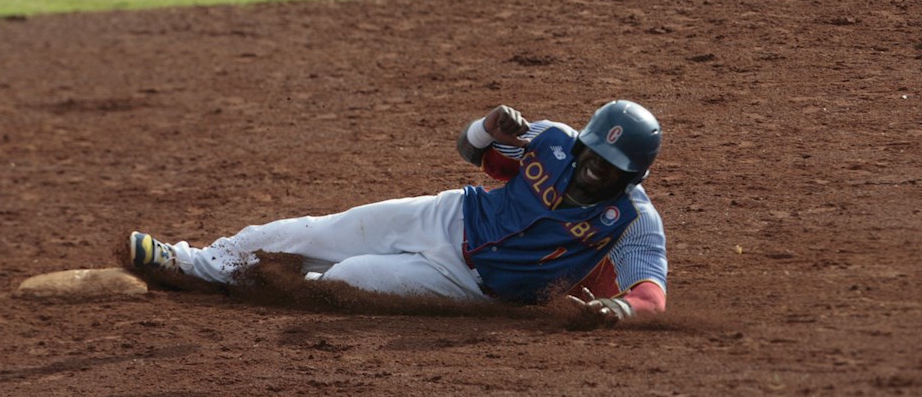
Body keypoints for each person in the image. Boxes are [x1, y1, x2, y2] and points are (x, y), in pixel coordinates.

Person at [130, 99, 668, 324]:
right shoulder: (552, 140)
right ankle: (189, 263)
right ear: (583, 144)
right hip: (449, 215)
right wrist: (487, 128)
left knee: (345, 278)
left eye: (611, 166)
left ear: (633, 176)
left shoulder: (634, 220)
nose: (596, 169)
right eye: (593, 155)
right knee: (322, 230)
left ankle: (246, 280)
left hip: (470, 285)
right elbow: (476, 154)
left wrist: (620, 311)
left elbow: (650, 296)